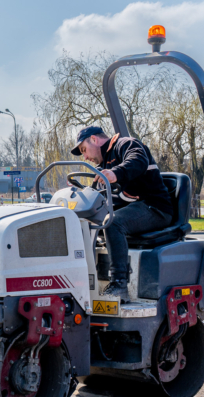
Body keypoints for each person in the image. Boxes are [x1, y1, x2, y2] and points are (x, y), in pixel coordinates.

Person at [71, 126, 173, 302]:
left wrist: (115, 173)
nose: (85, 157)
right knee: (84, 222)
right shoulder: (103, 165)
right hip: (134, 208)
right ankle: (81, 282)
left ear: (94, 140)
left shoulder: (126, 145)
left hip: (154, 208)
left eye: (84, 150)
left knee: (113, 222)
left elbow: (137, 161)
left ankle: (119, 284)